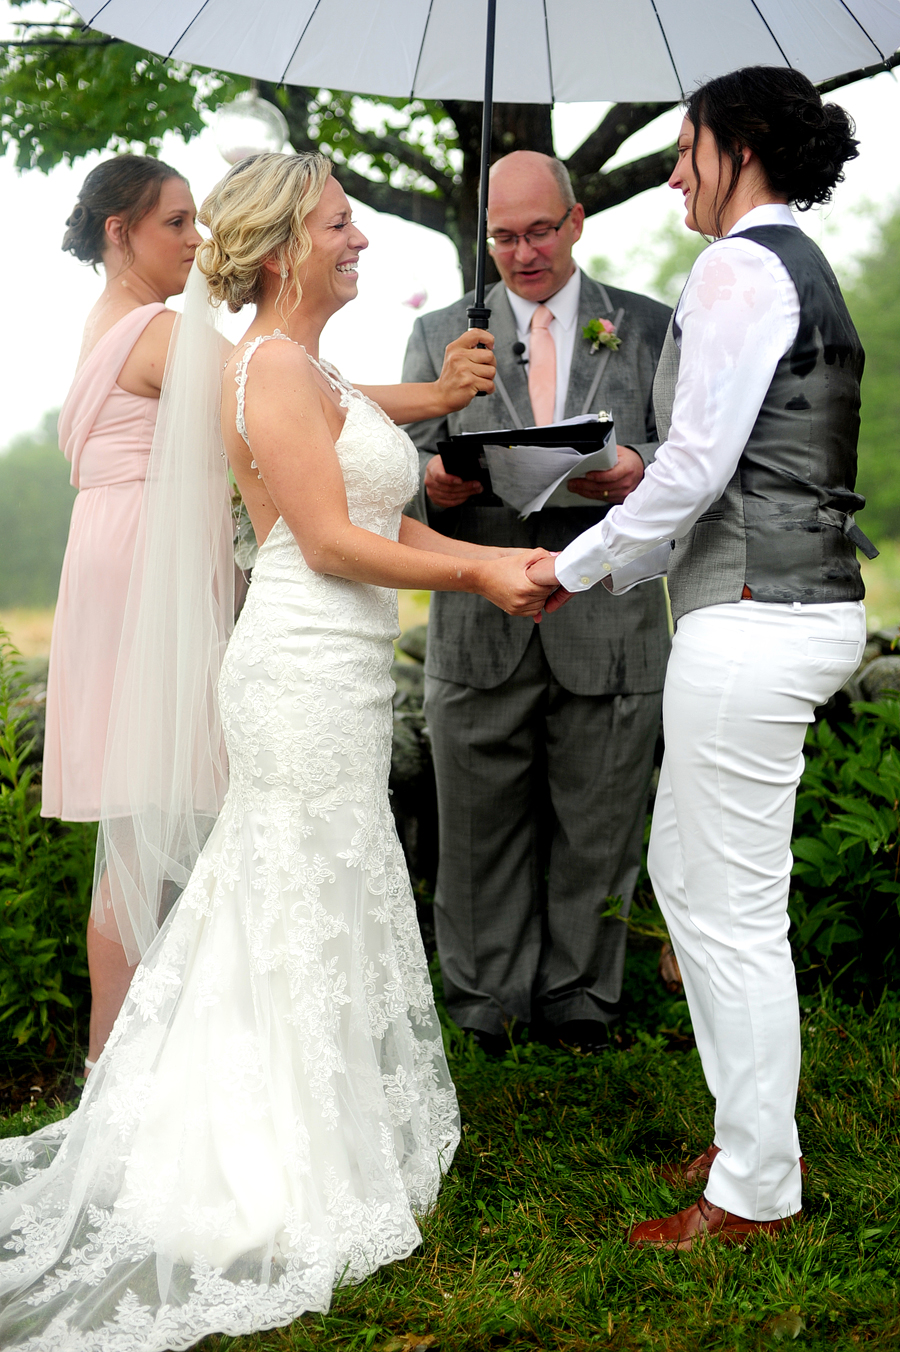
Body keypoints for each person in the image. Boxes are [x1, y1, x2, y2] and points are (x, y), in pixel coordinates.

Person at [0, 152, 556, 1349]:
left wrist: (485, 544)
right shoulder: (262, 365)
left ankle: (288, 1126)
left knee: (302, 897)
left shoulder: (298, 369)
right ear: (285, 247)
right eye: (345, 224)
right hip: (300, 667)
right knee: (292, 893)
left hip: (334, 670)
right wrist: (476, 567)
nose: (362, 240)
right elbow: (325, 538)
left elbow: (374, 512)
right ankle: (252, 1165)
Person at [526, 66, 872, 1247]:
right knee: (693, 876)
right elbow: (726, 448)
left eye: (688, 148)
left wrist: (561, 569)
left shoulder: (733, 265)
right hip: (793, 606)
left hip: (755, 614)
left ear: (743, 146)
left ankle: (757, 1189)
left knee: (727, 913)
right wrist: (641, 472)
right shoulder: (800, 267)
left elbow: (698, 471)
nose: (675, 171)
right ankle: (746, 1130)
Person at [401, 151, 671, 1055]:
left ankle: (583, 1004)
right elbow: (391, 476)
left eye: (540, 231)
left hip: (610, 620)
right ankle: (486, 1007)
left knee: (600, 823)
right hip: (480, 618)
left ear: (578, 220)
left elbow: (694, 461)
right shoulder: (445, 332)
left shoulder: (648, 326)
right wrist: (431, 486)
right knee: (474, 832)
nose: (522, 253)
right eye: (504, 236)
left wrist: (639, 471)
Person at [40, 155, 202, 1074]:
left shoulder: (110, 321)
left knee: (147, 830)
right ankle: (119, 1069)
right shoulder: (156, 329)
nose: (194, 239)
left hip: (114, 554)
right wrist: (432, 397)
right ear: (120, 230)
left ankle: (127, 1062)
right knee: (149, 833)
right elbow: (275, 398)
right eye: (176, 222)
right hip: (148, 571)